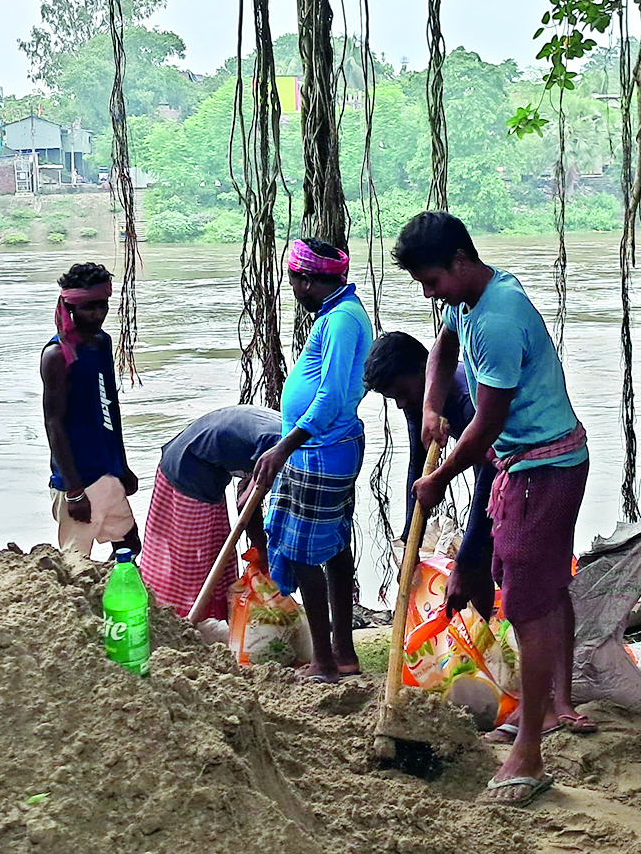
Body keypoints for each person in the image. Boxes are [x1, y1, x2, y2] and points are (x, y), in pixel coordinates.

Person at [394, 210, 591, 808]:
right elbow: (443, 346)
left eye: (433, 281)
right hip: (530, 466)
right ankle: (549, 713)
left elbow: (487, 424)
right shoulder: (469, 302)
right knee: (542, 593)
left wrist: (438, 480)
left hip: (543, 469)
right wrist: (431, 404)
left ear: (460, 260)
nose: (431, 295)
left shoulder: (500, 318)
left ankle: (528, 755)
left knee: (531, 609)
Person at [249, 237, 373, 681]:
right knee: (336, 548)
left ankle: (324, 661)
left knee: (304, 554)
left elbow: (332, 396)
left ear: (307, 280)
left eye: (294, 281)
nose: (293, 291)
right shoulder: (338, 313)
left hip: (320, 450)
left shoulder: (341, 320)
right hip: (325, 446)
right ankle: (343, 652)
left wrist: (285, 445)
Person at [362, 330, 499, 607]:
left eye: (402, 393)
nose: (401, 404)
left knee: (491, 558)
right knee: (479, 562)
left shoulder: (466, 401)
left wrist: (465, 559)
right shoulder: (417, 400)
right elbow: (419, 467)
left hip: (519, 465)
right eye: (393, 399)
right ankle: (482, 636)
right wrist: (409, 543)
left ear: (427, 370)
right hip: (487, 464)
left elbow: (489, 479)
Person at [143, 405, 284, 622]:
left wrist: (261, 547)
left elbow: (244, 494)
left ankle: (217, 618)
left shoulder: (288, 436)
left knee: (216, 549)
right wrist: (262, 549)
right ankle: (186, 620)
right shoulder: (282, 450)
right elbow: (247, 503)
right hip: (187, 472)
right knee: (193, 559)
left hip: (203, 468)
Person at [41, 261, 140, 556]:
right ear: (72, 307)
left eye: (103, 305)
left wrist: (122, 466)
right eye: (89, 308)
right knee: (75, 559)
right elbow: (54, 424)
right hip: (78, 477)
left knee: (129, 544)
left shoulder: (101, 343)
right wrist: (73, 492)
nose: (98, 314)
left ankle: (108, 597)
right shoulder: (58, 355)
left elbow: (110, 406)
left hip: (106, 469)